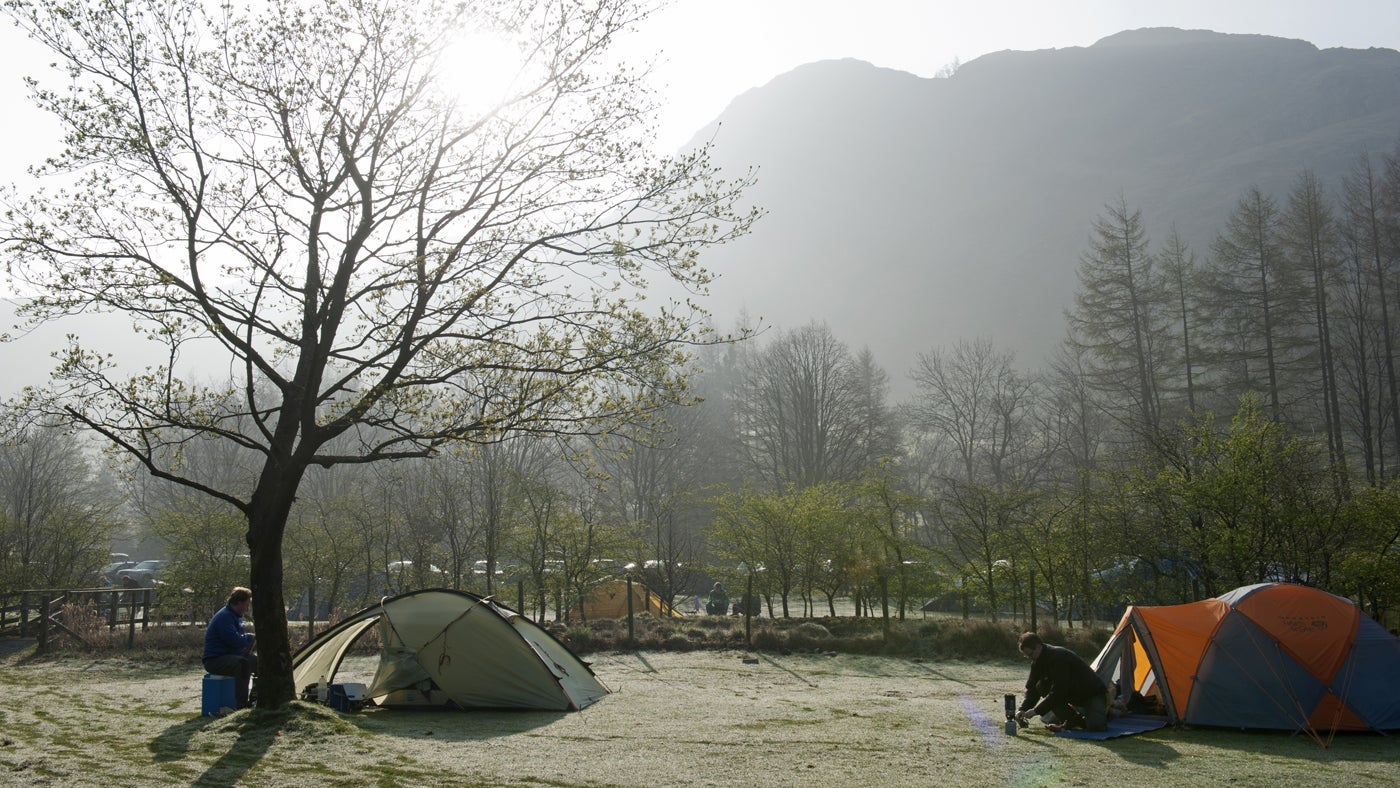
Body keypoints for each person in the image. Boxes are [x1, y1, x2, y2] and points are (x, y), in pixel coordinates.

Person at [1013, 632, 1108, 732]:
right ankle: (1074, 720)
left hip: (1092, 694)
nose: (1029, 658)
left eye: (1030, 654)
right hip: (1072, 695)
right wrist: (1022, 709)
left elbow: (1059, 690)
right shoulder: (1036, 663)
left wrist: (1037, 711)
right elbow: (1032, 689)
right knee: (1042, 686)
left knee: (1096, 728)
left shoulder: (1059, 657)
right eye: (1026, 656)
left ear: (1038, 646)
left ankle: (1106, 712)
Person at [204, 586, 257, 709]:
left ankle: (257, 696)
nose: (247, 608)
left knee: (258, 662)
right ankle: (241, 704)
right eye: (246, 604)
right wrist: (251, 637)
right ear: (239, 602)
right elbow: (234, 640)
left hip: (228, 655)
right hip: (215, 660)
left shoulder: (235, 617)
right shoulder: (225, 617)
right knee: (242, 664)